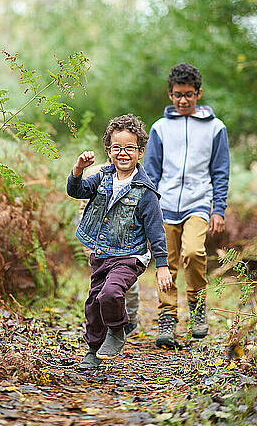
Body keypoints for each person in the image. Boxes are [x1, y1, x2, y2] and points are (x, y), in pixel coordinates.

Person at [67, 114, 172, 371]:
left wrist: (162, 265)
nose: (123, 153)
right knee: (94, 302)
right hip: (102, 252)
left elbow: (156, 230)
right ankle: (92, 350)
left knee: (111, 293)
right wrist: (78, 170)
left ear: (140, 151)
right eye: (117, 148)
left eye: (129, 148)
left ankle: (117, 328)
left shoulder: (145, 191)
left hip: (130, 255)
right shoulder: (102, 177)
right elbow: (76, 191)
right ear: (108, 150)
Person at [144, 63, 230, 348]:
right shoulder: (160, 128)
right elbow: (151, 173)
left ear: (199, 93)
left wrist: (218, 208)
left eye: (189, 94)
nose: (183, 100)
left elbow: (220, 171)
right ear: (170, 94)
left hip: (198, 203)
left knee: (193, 252)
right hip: (163, 205)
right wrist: (147, 209)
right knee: (165, 263)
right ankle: (167, 319)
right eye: (178, 94)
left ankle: (197, 308)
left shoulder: (215, 128)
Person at [77, 162, 140, 337]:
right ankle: (106, 328)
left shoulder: (136, 174)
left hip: (126, 245)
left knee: (129, 287)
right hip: (100, 244)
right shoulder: (95, 173)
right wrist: (88, 245)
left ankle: (131, 319)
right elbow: (84, 208)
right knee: (101, 289)